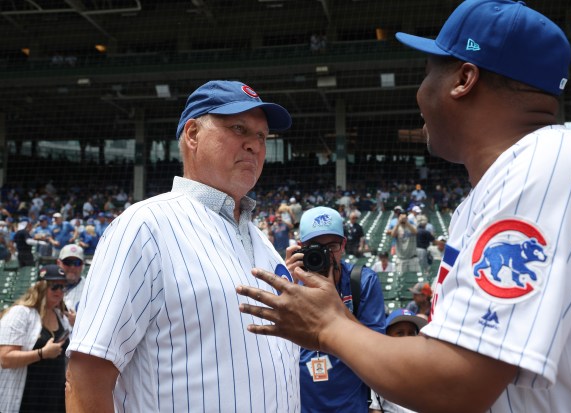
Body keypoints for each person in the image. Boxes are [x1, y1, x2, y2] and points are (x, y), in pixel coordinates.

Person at [236, 1, 571, 412]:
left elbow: (457, 385)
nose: (420, 92)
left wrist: (327, 326)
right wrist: (334, 317)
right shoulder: (500, 187)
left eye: (427, 73)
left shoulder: (551, 163)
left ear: (464, 79)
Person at [65, 80, 300, 413]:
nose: (254, 146)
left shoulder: (264, 242)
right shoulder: (145, 226)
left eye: (262, 136)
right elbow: (86, 377)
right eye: (238, 128)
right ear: (192, 134)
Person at [286, 206, 385, 413]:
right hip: (301, 404)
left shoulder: (362, 281)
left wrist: (335, 306)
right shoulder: (290, 283)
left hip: (350, 405)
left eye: (331, 246)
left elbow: (378, 346)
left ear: (343, 246)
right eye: (314, 246)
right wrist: (286, 284)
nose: (324, 254)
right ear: (301, 247)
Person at [0, 264, 70, 413]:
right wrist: (42, 353)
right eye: (55, 286)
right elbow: (5, 359)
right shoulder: (20, 313)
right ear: (41, 287)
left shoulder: (61, 317)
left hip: (53, 398)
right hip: (26, 397)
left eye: (63, 287)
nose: (59, 291)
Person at [369, 309, 427, 413]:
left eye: (411, 333)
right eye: (400, 333)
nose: (406, 338)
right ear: (387, 336)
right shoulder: (380, 370)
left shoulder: (427, 368)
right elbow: (375, 410)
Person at [57, 244, 85, 317]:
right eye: (68, 262)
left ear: (82, 265)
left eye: (77, 263)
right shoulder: (47, 288)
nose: (72, 267)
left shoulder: (90, 290)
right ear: (58, 263)